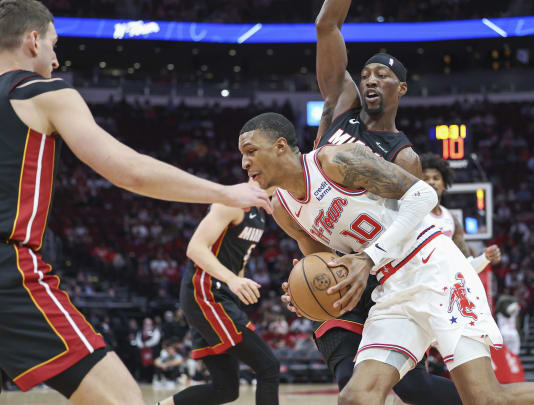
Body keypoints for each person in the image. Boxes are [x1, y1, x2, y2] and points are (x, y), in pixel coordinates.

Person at [239, 113, 534, 405]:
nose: (244, 163)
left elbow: (422, 196)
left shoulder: (333, 160)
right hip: (392, 290)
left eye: (250, 151)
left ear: (279, 147)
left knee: (486, 401)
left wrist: (368, 257)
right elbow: (330, 266)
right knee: (358, 397)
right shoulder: (284, 210)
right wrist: (308, 293)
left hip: (435, 267)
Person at [0, 1, 271, 403]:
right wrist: (224, 192)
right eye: (54, 46)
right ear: (33, 40)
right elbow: (129, 171)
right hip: (9, 270)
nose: (56, 60)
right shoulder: (41, 92)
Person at [309, 1, 499, 403]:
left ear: (402, 88)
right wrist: (310, 263)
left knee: (407, 387)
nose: (370, 80)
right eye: (365, 75)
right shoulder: (342, 105)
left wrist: (361, 262)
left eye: (383, 74)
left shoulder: (404, 157)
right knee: (358, 387)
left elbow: (402, 229)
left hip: (374, 273)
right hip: (338, 265)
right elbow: (327, 26)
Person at [156, 199, 279, 405]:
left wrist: (240, 283)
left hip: (220, 296)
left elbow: (238, 260)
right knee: (268, 367)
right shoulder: (233, 202)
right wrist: (232, 279)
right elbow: (195, 248)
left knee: (226, 390)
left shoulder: (260, 215)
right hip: (206, 293)